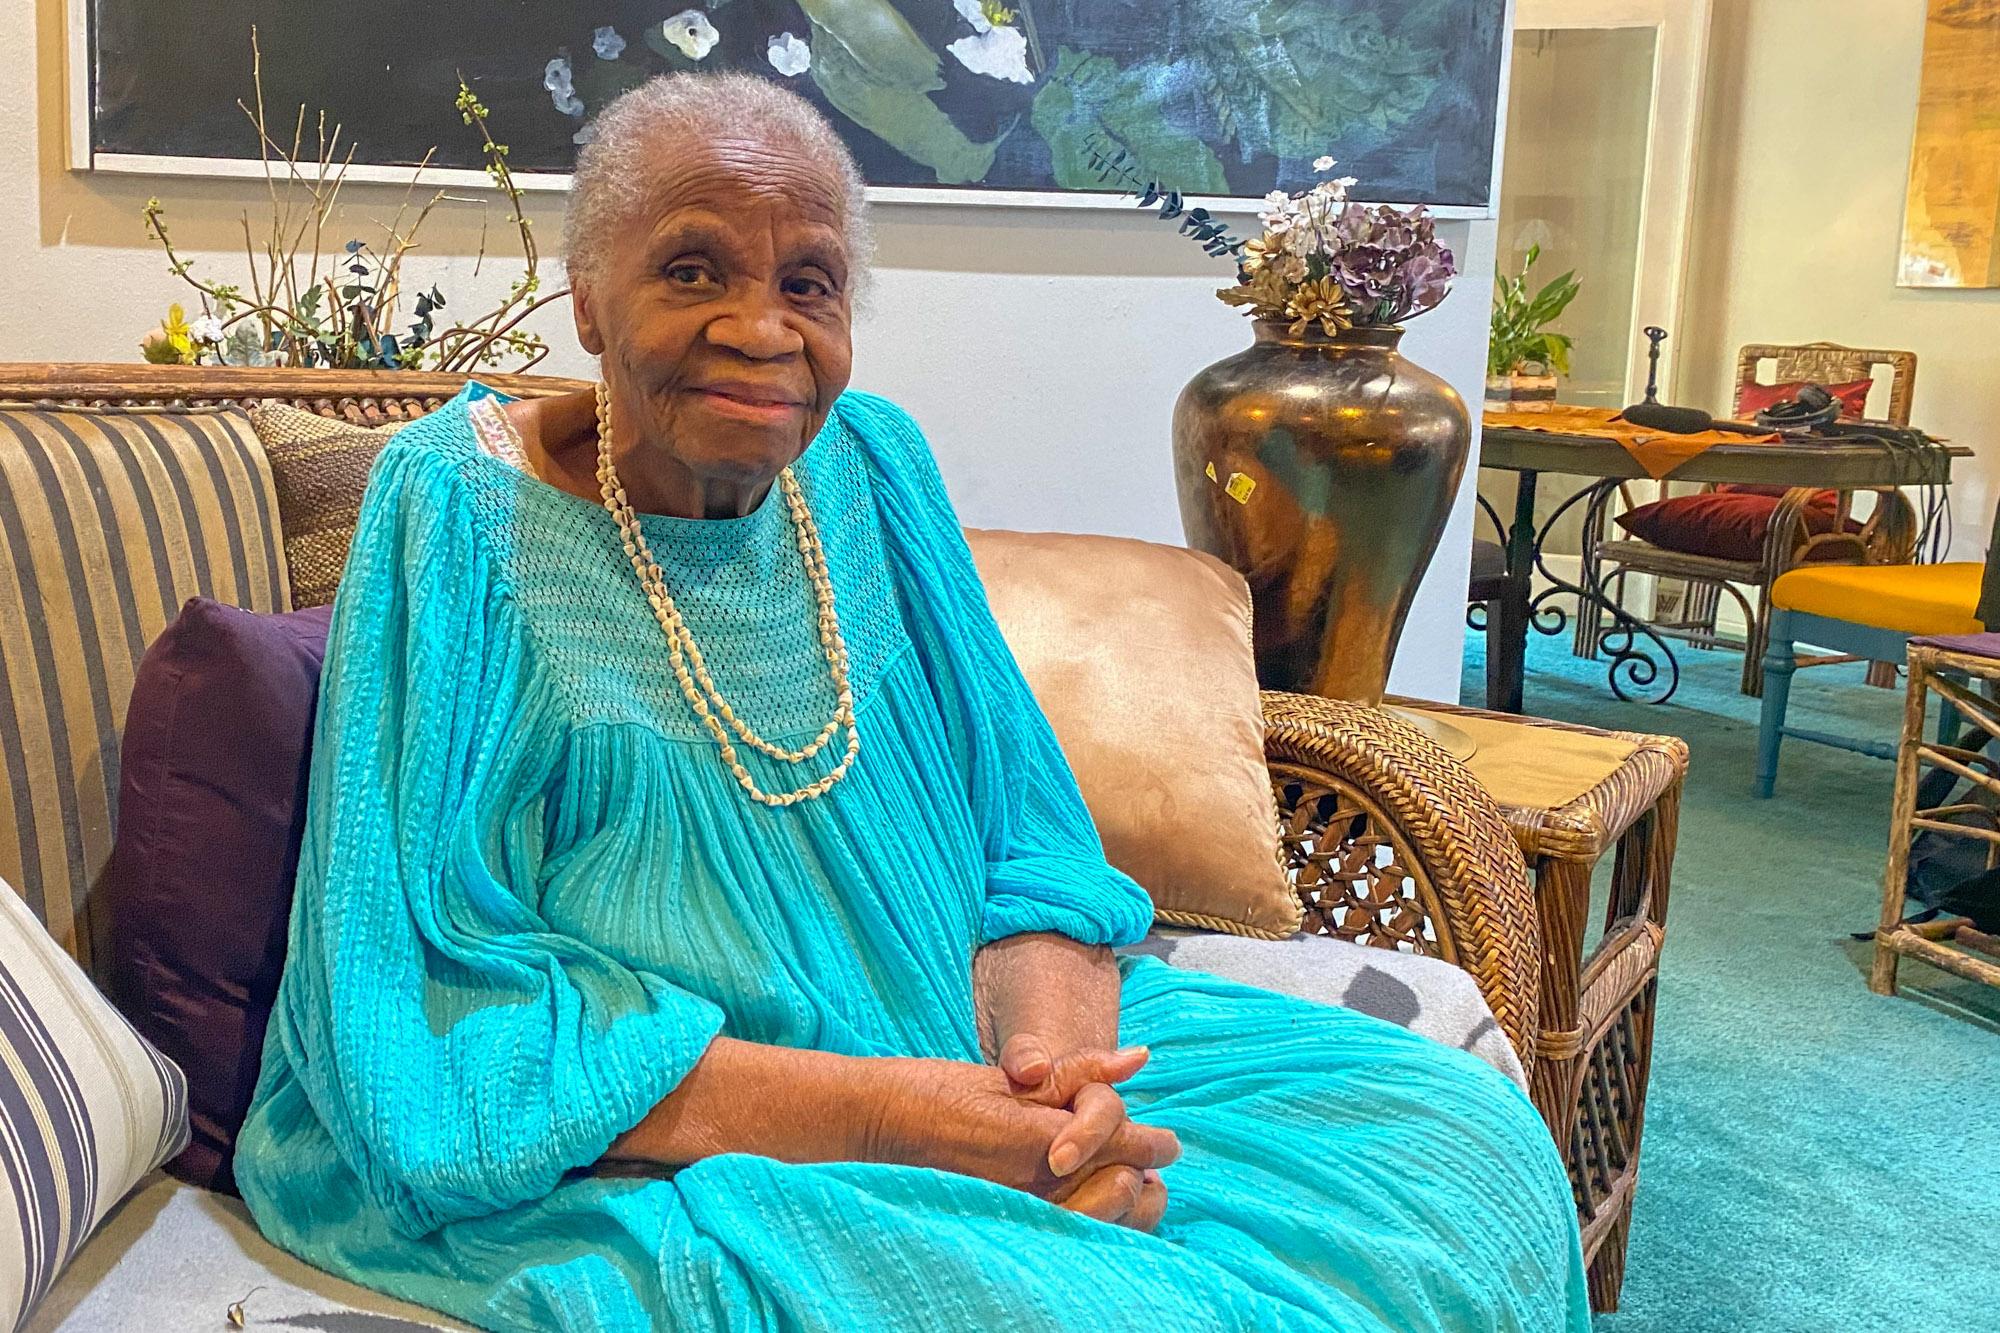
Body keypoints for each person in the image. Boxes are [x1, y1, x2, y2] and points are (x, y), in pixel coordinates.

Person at [236, 72, 1588, 1332]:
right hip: (659, 1132)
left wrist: (1057, 1096)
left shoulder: (874, 466)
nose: (761, 328)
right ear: (588, 298)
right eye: (691, 267)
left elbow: (1026, 835)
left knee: (1452, 1132)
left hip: (966, 1048)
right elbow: (426, 995)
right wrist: (940, 1131)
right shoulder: (455, 511)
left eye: (807, 283)